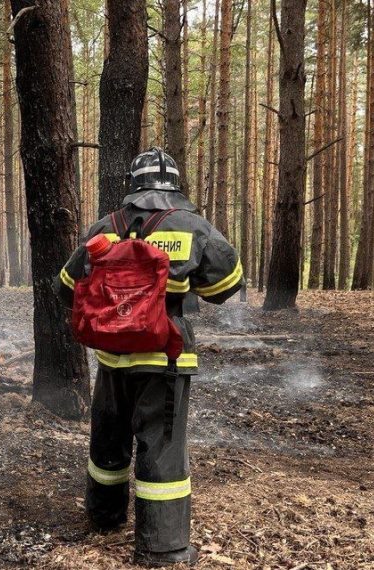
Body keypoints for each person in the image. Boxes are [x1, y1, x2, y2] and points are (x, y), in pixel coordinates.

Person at [56, 148, 243, 566]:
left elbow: (65, 286)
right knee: (161, 446)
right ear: (175, 186)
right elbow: (227, 285)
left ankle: (104, 517)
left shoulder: (107, 226)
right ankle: (164, 547)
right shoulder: (193, 227)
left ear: (133, 185)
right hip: (166, 357)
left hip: (112, 356)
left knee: (108, 437)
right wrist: (180, 287)